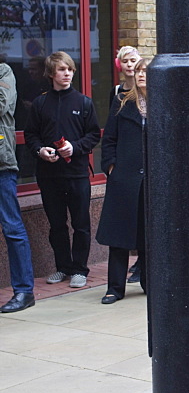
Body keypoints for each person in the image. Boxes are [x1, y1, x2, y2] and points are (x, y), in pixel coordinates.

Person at [23, 51, 100, 288]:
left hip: (77, 174)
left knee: (80, 224)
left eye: (70, 70)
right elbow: (30, 135)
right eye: (61, 70)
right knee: (56, 224)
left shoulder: (84, 102)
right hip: (49, 175)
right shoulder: (40, 103)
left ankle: (79, 269)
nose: (67, 74)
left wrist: (74, 148)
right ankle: (62, 267)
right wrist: (40, 151)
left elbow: (94, 135)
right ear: (51, 74)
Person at [96, 57, 148, 302]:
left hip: (151, 180)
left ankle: (150, 283)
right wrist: (110, 167)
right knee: (119, 236)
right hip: (124, 179)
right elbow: (109, 139)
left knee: (150, 234)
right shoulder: (120, 102)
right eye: (138, 71)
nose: (141, 75)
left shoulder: (164, 103)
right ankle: (114, 288)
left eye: (146, 71)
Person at [0, 62, 35, 313]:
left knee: (12, 227)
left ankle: (24, 291)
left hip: (2, 165)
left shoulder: (3, 71)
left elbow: (2, 105)